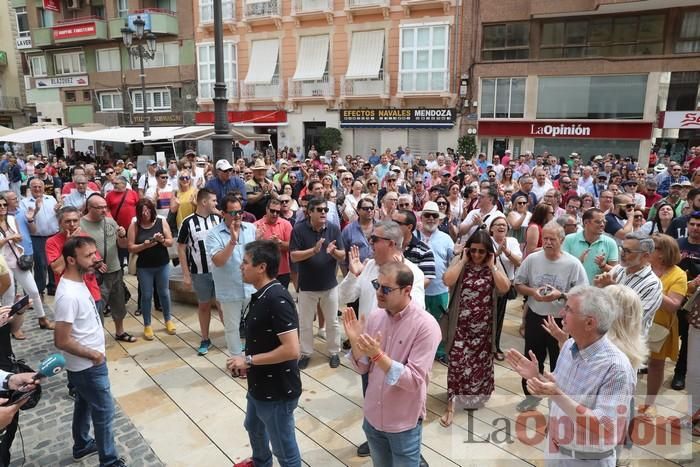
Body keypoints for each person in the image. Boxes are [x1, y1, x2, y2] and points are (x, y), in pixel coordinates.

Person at [506, 285, 636, 466]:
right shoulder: (569, 346)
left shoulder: (616, 368)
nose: (561, 313)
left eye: (568, 309)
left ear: (590, 323)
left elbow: (605, 426)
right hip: (555, 450)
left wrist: (556, 395)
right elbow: (560, 388)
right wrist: (538, 376)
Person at [343, 261, 440, 467]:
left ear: (407, 290)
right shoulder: (376, 316)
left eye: (386, 289)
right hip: (373, 418)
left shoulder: (426, 326)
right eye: (377, 285)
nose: (379, 292)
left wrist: (378, 355)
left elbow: (414, 380)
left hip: (402, 423)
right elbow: (362, 368)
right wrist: (355, 340)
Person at [226, 240, 302, 467]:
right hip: (259, 384)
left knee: (285, 450)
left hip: (277, 391)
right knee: (253, 426)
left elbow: (292, 349)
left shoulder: (277, 299)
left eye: (246, 262)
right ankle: (260, 462)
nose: (241, 266)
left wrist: (248, 360)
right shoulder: (260, 294)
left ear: (261, 267)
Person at [54, 236, 127, 467]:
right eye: (88, 256)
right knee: (104, 412)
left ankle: (82, 444)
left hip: (86, 365)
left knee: (84, 404)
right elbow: (61, 340)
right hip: (88, 366)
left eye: (94, 253)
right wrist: (94, 355)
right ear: (71, 260)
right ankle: (109, 460)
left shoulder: (81, 281)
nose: (95, 259)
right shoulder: (68, 295)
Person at [513, 221, 588, 412]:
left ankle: (560, 402)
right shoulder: (532, 259)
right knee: (531, 358)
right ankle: (531, 396)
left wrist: (561, 295)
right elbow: (519, 284)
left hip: (561, 321)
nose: (547, 242)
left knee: (561, 361)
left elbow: (583, 294)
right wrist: (533, 292)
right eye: (544, 238)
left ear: (561, 240)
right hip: (536, 316)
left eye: (552, 239)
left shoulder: (573, 264)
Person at [440, 229, 510, 423]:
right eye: (473, 250)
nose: (477, 255)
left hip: (484, 328)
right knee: (457, 363)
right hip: (460, 326)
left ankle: (475, 397)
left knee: (479, 365)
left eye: (481, 251)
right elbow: (447, 280)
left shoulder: (492, 265)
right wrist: (462, 260)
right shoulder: (461, 262)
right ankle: (451, 405)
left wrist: (492, 266)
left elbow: (504, 288)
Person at [290, 197, 345, 369]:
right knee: (305, 323)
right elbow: (294, 255)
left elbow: (342, 255)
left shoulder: (334, 229)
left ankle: (334, 352)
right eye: (319, 210)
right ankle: (306, 353)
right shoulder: (298, 230)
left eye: (326, 210)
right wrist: (313, 251)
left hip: (329, 285)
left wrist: (333, 251)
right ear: (309, 212)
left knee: (333, 321)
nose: (323, 213)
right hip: (307, 286)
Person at [640, 234, 687, 418]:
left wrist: (651, 288)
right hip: (635, 323)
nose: (646, 250)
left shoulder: (678, 274)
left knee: (656, 365)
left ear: (662, 253)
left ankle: (649, 403)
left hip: (659, 327)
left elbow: (673, 305)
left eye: (651, 247)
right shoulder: (643, 267)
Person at [206, 194, 256, 359]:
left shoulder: (251, 229)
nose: (238, 216)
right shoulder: (213, 234)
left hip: (251, 288)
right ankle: (236, 361)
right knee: (232, 328)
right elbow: (219, 261)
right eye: (233, 213)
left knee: (254, 325)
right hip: (230, 289)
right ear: (223, 213)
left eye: (240, 211)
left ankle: (252, 358)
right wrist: (232, 241)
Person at [80, 194, 133, 342]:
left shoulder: (110, 222)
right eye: (100, 207)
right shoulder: (80, 225)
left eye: (105, 207)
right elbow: (76, 250)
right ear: (89, 208)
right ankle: (97, 337)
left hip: (115, 270)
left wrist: (123, 236)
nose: (104, 210)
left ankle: (120, 332)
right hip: (95, 274)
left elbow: (123, 245)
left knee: (119, 303)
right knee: (97, 307)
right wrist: (92, 262)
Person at [0, 193, 53, 334]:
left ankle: (42, 319)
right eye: (0, 205)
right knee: (8, 296)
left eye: (4, 204)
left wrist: (17, 238)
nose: (2, 207)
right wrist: (9, 238)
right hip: (3, 265)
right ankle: (10, 327)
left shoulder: (11, 219)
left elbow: (19, 237)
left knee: (34, 291)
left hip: (17, 259)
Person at [177, 189, 220, 356]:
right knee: (204, 305)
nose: (216, 204)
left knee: (223, 305)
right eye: (214, 201)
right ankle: (205, 338)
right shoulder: (188, 222)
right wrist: (186, 274)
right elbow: (181, 247)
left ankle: (234, 336)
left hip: (219, 270)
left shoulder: (218, 219)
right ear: (204, 202)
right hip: (199, 272)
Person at [594, 231, 662, 336]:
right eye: (621, 248)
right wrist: (599, 287)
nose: (622, 254)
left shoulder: (652, 284)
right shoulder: (619, 269)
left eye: (627, 251)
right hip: (606, 334)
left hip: (628, 341)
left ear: (645, 256)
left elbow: (635, 317)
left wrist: (612, 288)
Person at [127, 198, 176, 340]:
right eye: (142, 211)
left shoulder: (161, 221)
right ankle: (147, 324)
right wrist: (145, 245)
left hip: (162, 263)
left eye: (148, 210)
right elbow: (130, 247)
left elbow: (170, 241)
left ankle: (168, 320)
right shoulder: (135, 226)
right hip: (144, 266)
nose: (145, 214)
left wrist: (161, 240)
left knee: (164, 293)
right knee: (147, 295)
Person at [416, 201, 454, 365]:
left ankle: (439, 352)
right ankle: (421, 351)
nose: (430, 219)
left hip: (440, 289)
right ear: (422, 217)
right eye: (427, 215)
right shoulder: (414, 236)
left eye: (434, 216)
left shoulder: (446, 239)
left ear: (439, 219)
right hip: (417, 290)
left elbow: (452, 263)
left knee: (441, 322)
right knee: (419, 323)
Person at [489, 216, 522, 361]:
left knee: (499, 316)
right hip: (488, 284)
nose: (501, 227)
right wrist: (497, 253)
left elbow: (518, 262)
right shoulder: (487, 241)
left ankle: (495, 346)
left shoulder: (513, 242)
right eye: (498, 225)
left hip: (504, 285)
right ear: (491, 228)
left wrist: (506, 251)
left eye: (504, 225)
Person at [21, 178, 59, 297]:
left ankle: (53, 286)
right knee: (40, 264)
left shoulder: (51, 199)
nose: (37, 189)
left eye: (39, 186)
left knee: (54, 262)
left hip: (53, 236)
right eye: (34, 187)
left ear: (43, 187)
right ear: (30, 188)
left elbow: (58, 215)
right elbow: (26, 220)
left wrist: (59, 210)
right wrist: (36, 210)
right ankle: (39, 289)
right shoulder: (24, 202)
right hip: (37, 238)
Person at [562, 208, 619, 283]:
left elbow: (616, 273)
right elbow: (562, 267)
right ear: (586, 223)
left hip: (598, 291)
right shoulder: (569, 239)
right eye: (598, 222)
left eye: (604, 222)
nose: (602, 225)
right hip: (574, 290)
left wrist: (603, 266)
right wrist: (578, 262)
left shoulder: (611, 242)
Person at [254, 199, 293, 288]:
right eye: (272, 211)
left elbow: (292, 246)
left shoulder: (286, 224)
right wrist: (261, 241)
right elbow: (251, 250)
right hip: (263, 272)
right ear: (266, 209)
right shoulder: (256, 225)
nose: (275, 214)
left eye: (278, 212)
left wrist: (279, 243)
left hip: (282, 271)